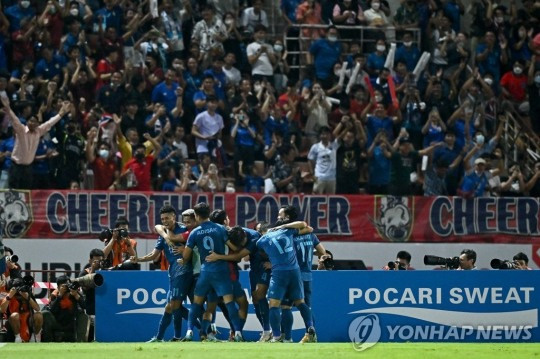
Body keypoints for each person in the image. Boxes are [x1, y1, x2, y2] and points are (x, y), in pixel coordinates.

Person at [181, 202, 244, 342]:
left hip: (205, 273)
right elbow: (233, 246)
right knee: (229, 303)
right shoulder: (220, 228)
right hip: (221, 272)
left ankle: (189, 331)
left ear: (196, 216)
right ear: (208, 213)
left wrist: (183, 258)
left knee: (196, 304)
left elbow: (186, 257)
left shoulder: (194, 232)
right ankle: (238, 332)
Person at [130, 205, 194, 342]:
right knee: (170, 306)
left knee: (174, 305)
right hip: (173, 272)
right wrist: (139, 259)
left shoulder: (184, 230)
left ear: (174, 217)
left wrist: (185, 250)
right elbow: (154, 255)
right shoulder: (163, 233)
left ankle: (175, 336)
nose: (165, 221)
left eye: (167, 218)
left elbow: (195, 247)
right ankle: (160, 337)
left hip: (184, 271)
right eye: (162, 219)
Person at [256, 217, 317, 343]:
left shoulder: (262, 240)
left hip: (279, 273)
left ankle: (277, 337)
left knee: (274, 304)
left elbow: (261, 249)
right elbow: (306, 226)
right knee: (300, 302)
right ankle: (310, 327)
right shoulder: (287, 232)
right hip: (295, 272)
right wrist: (283, 228)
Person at [1, 96, 70, 189]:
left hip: (28, 168)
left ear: (37, 124)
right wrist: (8, 108)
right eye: (31, 121)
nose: (32, 123)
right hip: (16, 167)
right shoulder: (21, 129)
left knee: (26, 193)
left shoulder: (39, 131)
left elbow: (50, 123)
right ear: (27, 122)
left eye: (35, 122)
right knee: (13, 192)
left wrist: (61, 114)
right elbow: (14, 119)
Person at [280, 206, 326, 343]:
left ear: (287, 217)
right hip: (307, 275)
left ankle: (286, 338)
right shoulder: (311, 234)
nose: (278, 218)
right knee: (306, 306)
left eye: (280, 215)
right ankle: (310, 332)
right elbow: (322, 252)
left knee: (285, 306)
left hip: (293, 275)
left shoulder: (289, 234)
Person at [43, 275, 87, 342]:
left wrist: (76, 296)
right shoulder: (55, 295)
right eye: (63, 286)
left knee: (83, 316)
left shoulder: (74, 293)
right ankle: (47, 341)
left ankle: (80, 342)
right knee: (45, 314)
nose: (66, 287)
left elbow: (85, 306)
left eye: (68, 285)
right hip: (57, 322)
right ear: (58, 287)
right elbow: (52, 310)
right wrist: (60, 295)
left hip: (71, 322)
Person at [0, 277, 43, 342]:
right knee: (15, 315)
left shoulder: (26, 293)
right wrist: (10, 296)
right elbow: (2, 310)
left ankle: (35, 338)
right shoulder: (9, 295)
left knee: (39, 315)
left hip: (28, 319)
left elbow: (37, 308)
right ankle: (18, 338)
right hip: (13, 322)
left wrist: (28, 297)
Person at [79, 248, 105, 342]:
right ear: (90, 261)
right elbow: (84, 288)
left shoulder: (106, 272)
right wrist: (93, 270)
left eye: (100, 261)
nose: (98, 263)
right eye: (96, 261)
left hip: (105, 306)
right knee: (90, 336)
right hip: (91, 306)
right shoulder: (85, 272)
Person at [308, 126, 338, 194]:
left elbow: (340, 137)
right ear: (319, 136)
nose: (324, 136)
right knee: (316, 199)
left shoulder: (334, 145)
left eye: (327, 134)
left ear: (330, 135)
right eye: (322, 134)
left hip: (332, 177)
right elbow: (310, 160)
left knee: (331, 200)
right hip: (319, 177)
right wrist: (312, 174)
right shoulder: (315, 147)